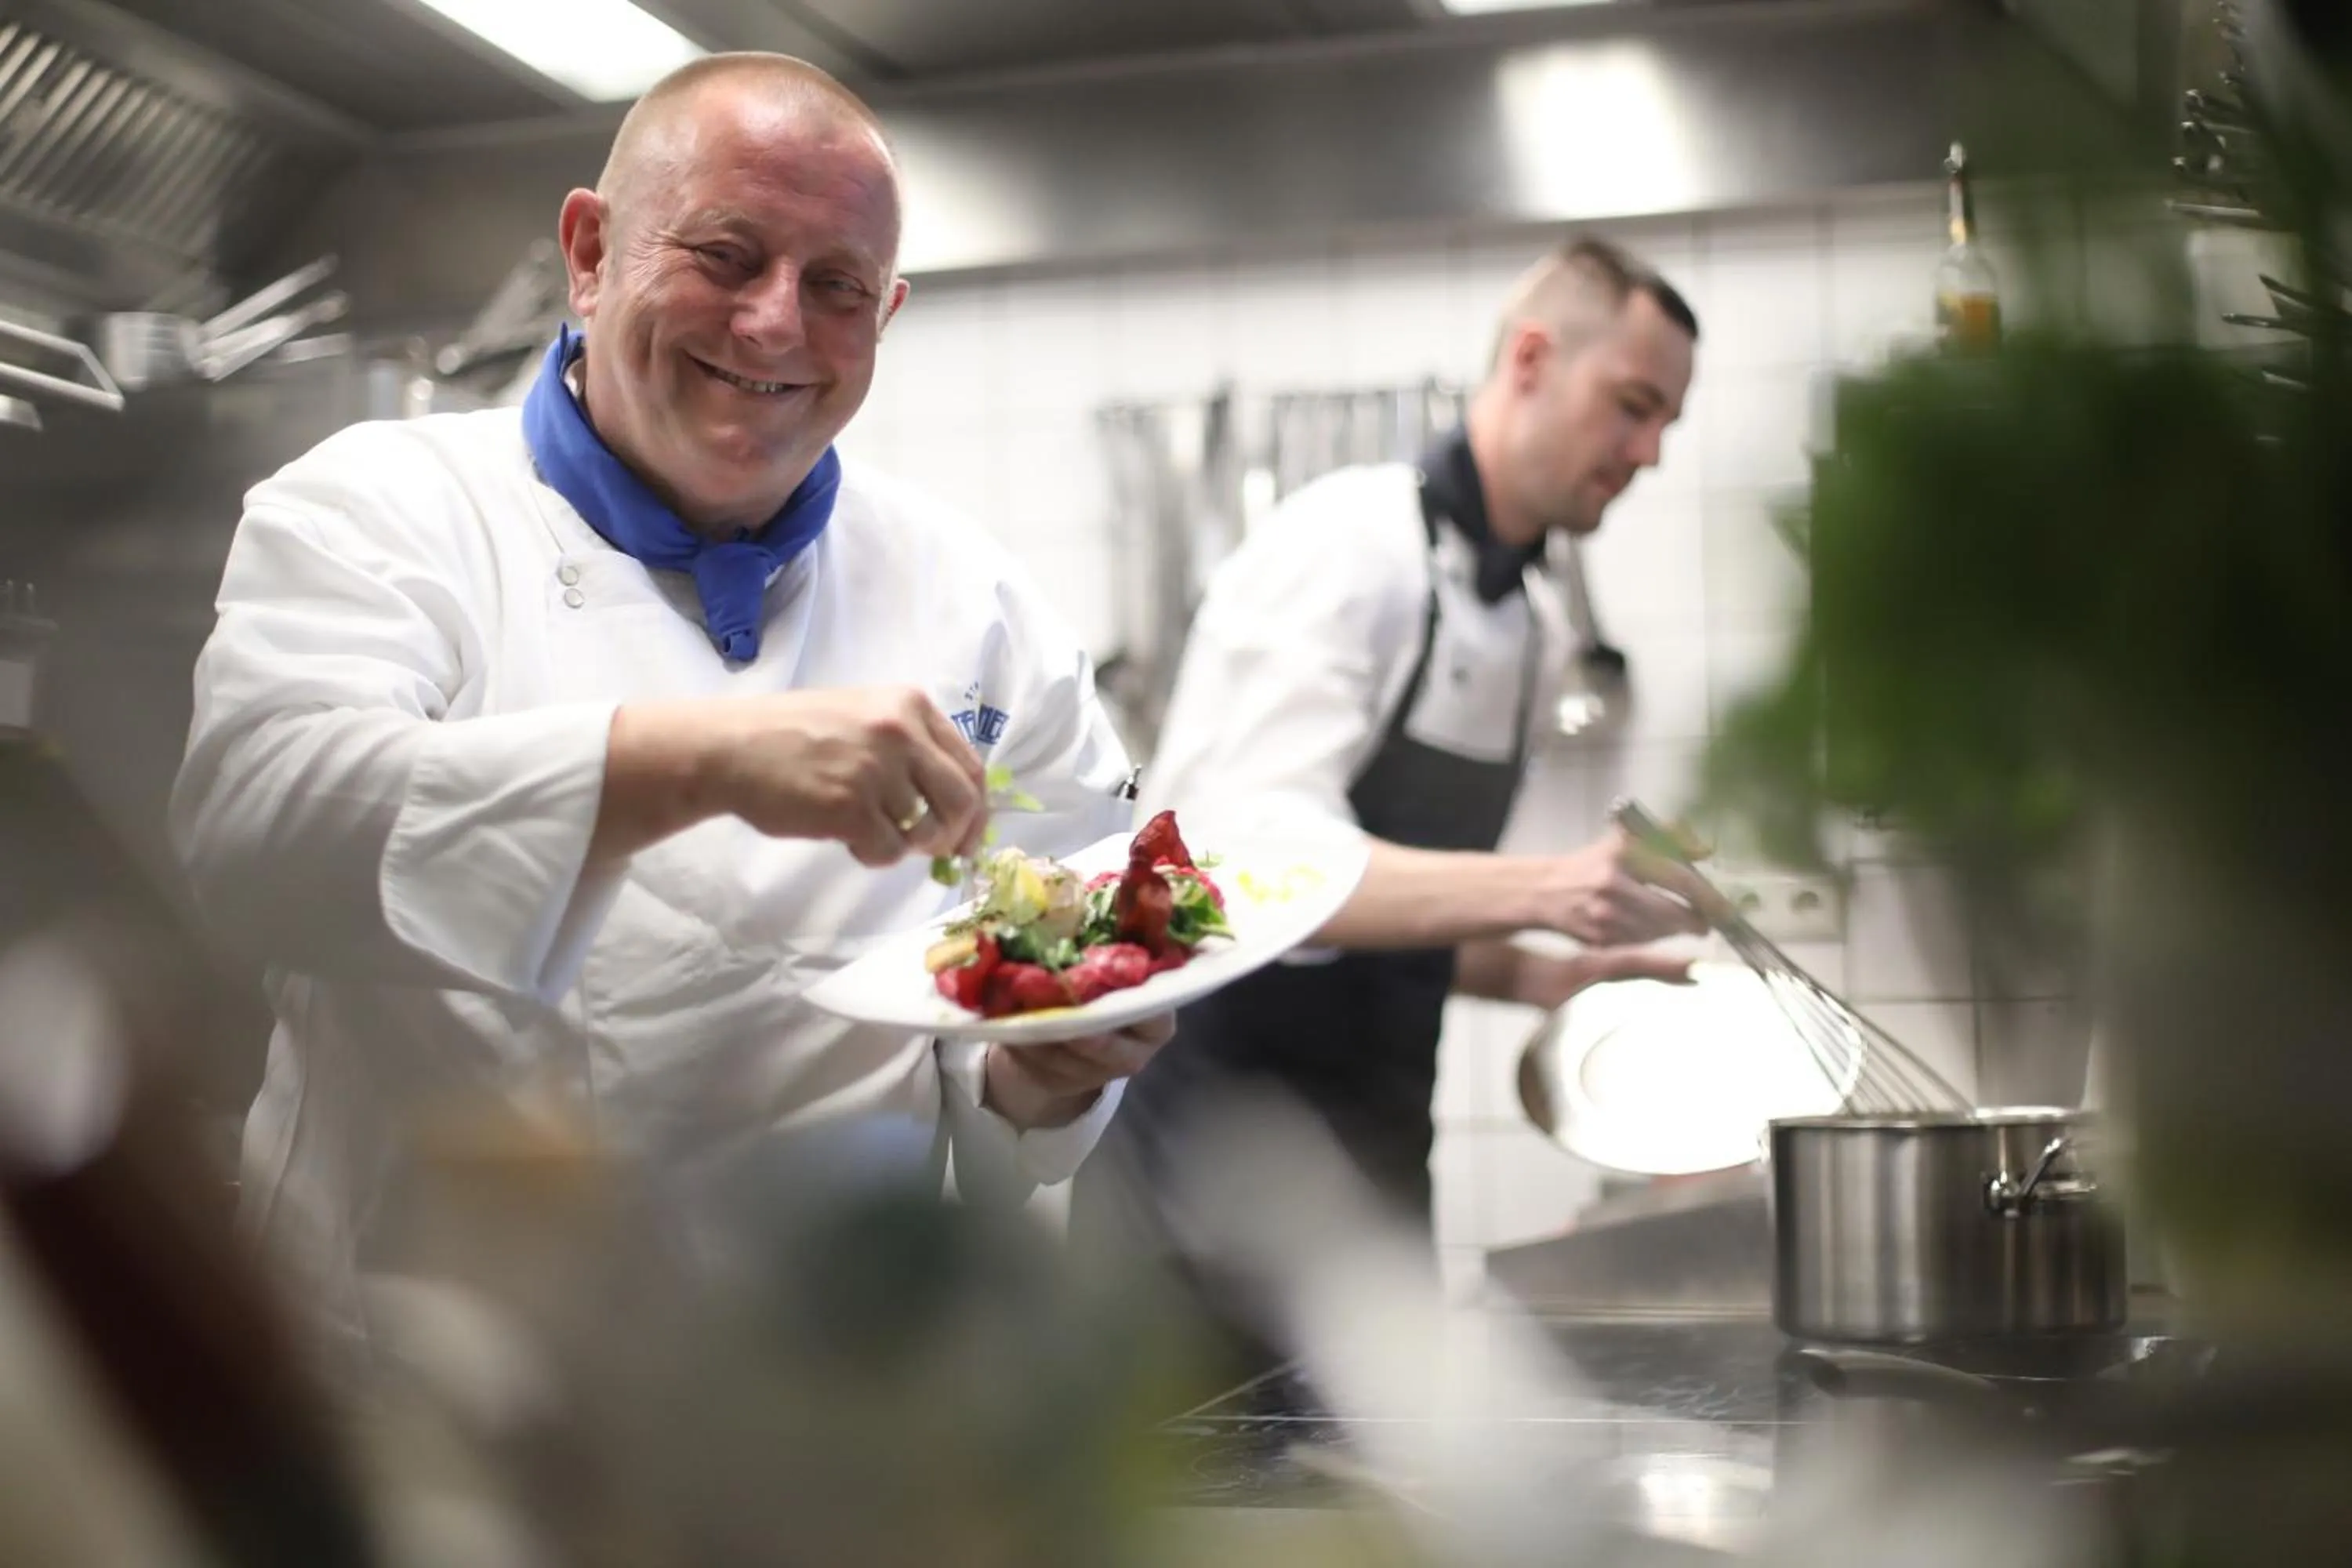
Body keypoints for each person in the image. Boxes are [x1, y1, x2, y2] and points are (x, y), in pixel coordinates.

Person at [169, 53, 1170, 1356]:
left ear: (889, 312)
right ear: (590, 253)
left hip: (834, 1408)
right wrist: (688, 759)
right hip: (428, 1403)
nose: (775, 326)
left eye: (837, 288)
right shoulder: (380, 508)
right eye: (726, 254)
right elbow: (254, 837)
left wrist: (1038, 1076)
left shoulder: (975, 600)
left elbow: (1051, 978)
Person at [1069, 238, 1706, 1371]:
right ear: (1530, 359)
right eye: (1632, 406)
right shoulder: (1351, 548)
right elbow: (1243, 865)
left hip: (1373, 1144)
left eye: (1666, 423)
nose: (1648, 451)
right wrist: (1554, 887)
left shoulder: (1538, 628)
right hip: (1215, 1143)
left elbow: (1369, 912)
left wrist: (1530, 971)